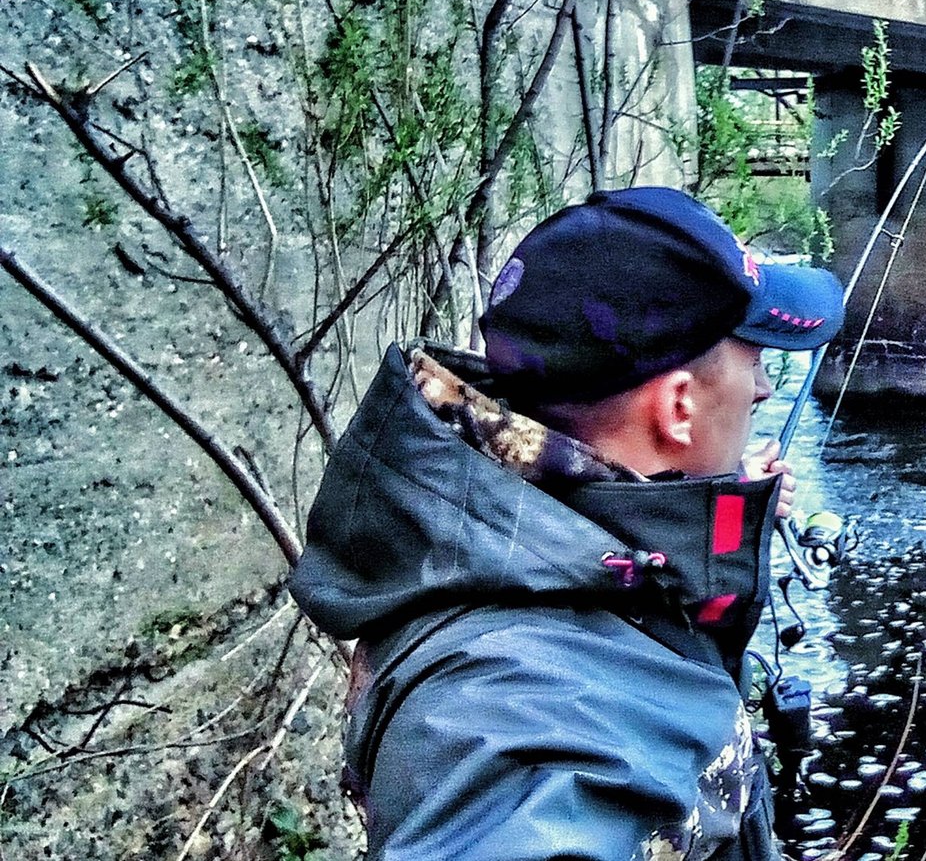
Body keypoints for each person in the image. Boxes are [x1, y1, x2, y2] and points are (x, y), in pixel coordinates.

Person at [290, 187, 845, 860]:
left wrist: (703, 518)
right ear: (678, 408)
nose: (763, 388)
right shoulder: (526, 718)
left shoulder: (505, 529)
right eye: (751, 358)